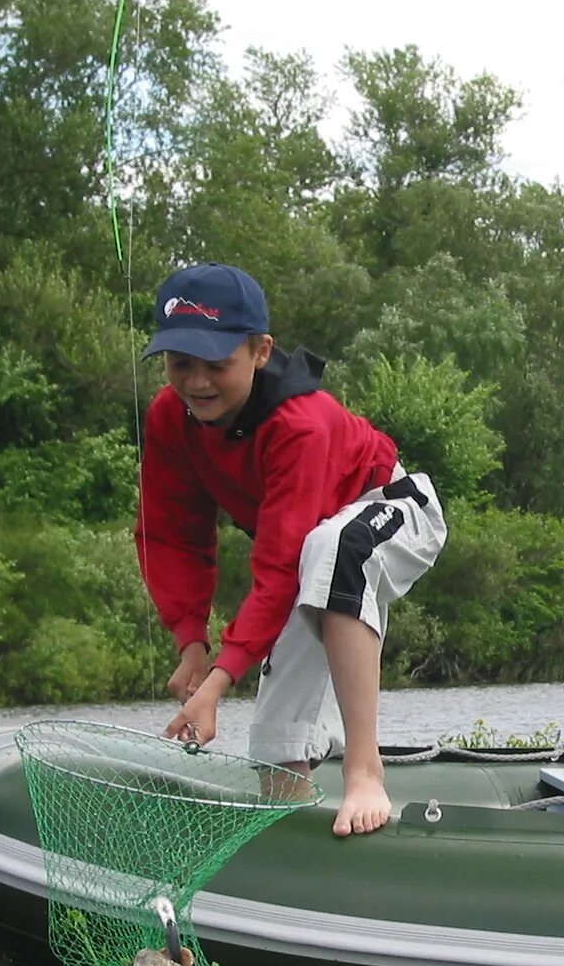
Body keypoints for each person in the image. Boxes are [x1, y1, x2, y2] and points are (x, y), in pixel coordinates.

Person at [135, 262, 446, 837]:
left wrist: (218, 684)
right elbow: (171, 534)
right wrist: (191, 644)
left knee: (336, 545)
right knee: (276, 746)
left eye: (217, 364)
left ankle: (364, 769)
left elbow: (278, 570)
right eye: (181, 365)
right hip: (310, 557)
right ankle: (290, 827)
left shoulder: (301, 424)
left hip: (394, 509)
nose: (197, 382)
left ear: (260, 351)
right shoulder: (168, 419)